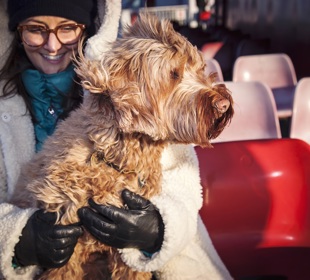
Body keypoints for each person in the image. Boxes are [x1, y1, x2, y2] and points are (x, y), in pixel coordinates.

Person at [0, 0, 232, 279]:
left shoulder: (146, 84)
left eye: (68, 28)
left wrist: (157, 229)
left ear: (87, 28)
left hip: (154, 264)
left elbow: (186, 192)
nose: (52, 45)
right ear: (17, 31)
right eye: (36, 30)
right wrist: (20, 239)